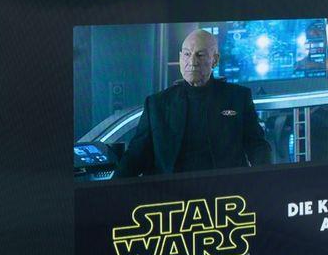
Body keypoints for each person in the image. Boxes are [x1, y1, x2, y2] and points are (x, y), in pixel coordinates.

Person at [115, 29, 273, 178]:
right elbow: (136, 156)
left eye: (200, 55)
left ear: (215, 60)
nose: (192, 62)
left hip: (225, 189)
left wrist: (266, 182)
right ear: (180, 58)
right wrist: (110, 190)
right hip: (171, 192)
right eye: (187, 54)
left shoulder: (238, 97)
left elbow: (257, 145)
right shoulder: (157, 104)